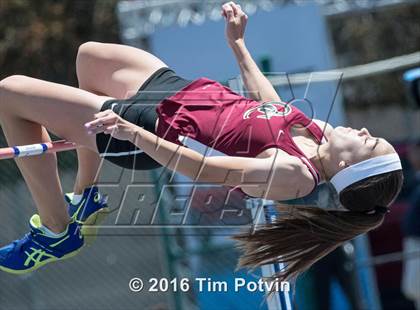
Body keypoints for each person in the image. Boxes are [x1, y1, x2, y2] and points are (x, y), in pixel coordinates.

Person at [0, 1, 403, 278]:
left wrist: (132, 132)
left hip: (152, 128)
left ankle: (55, 231)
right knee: (90, 55)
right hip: (176, 92)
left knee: (10, 92)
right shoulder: (316, 136)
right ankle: (85, 195)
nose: (365, 132)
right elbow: (270, 106)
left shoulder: (294, 175)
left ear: (348, 168)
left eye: (369, 143)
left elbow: (204, 168)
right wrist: (238, 45)